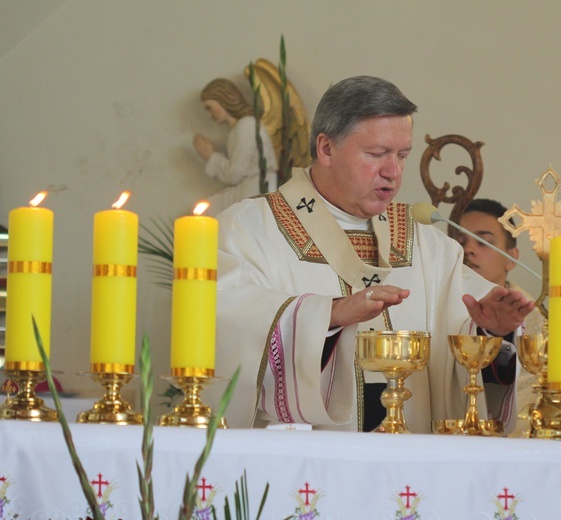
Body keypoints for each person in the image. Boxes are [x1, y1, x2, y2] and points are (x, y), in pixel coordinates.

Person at [214, 76, 534, 432]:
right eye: (377, 154)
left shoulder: (429, 246)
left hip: (410, 470)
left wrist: (492, 333)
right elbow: (226, 325)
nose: (393, 172)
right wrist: (328, 317)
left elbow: (466, 348)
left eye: (402, 156)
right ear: (326, 149)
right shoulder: (249, 228)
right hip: (306, 468)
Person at [458, 198, 545, 434]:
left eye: (484, 242)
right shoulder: (440, 305)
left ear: (511, 257)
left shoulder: (534, 318)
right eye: (460, 242)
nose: (468, 249)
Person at [193, 78, 278, 213]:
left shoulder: (247, 125)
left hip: (257, 189)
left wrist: (211, 156)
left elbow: (234, 174)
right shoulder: (237, 128)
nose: (209, 115)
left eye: (210, 108)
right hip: (246, 187)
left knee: (212, 211)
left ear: (223, 100)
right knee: (208, 209)